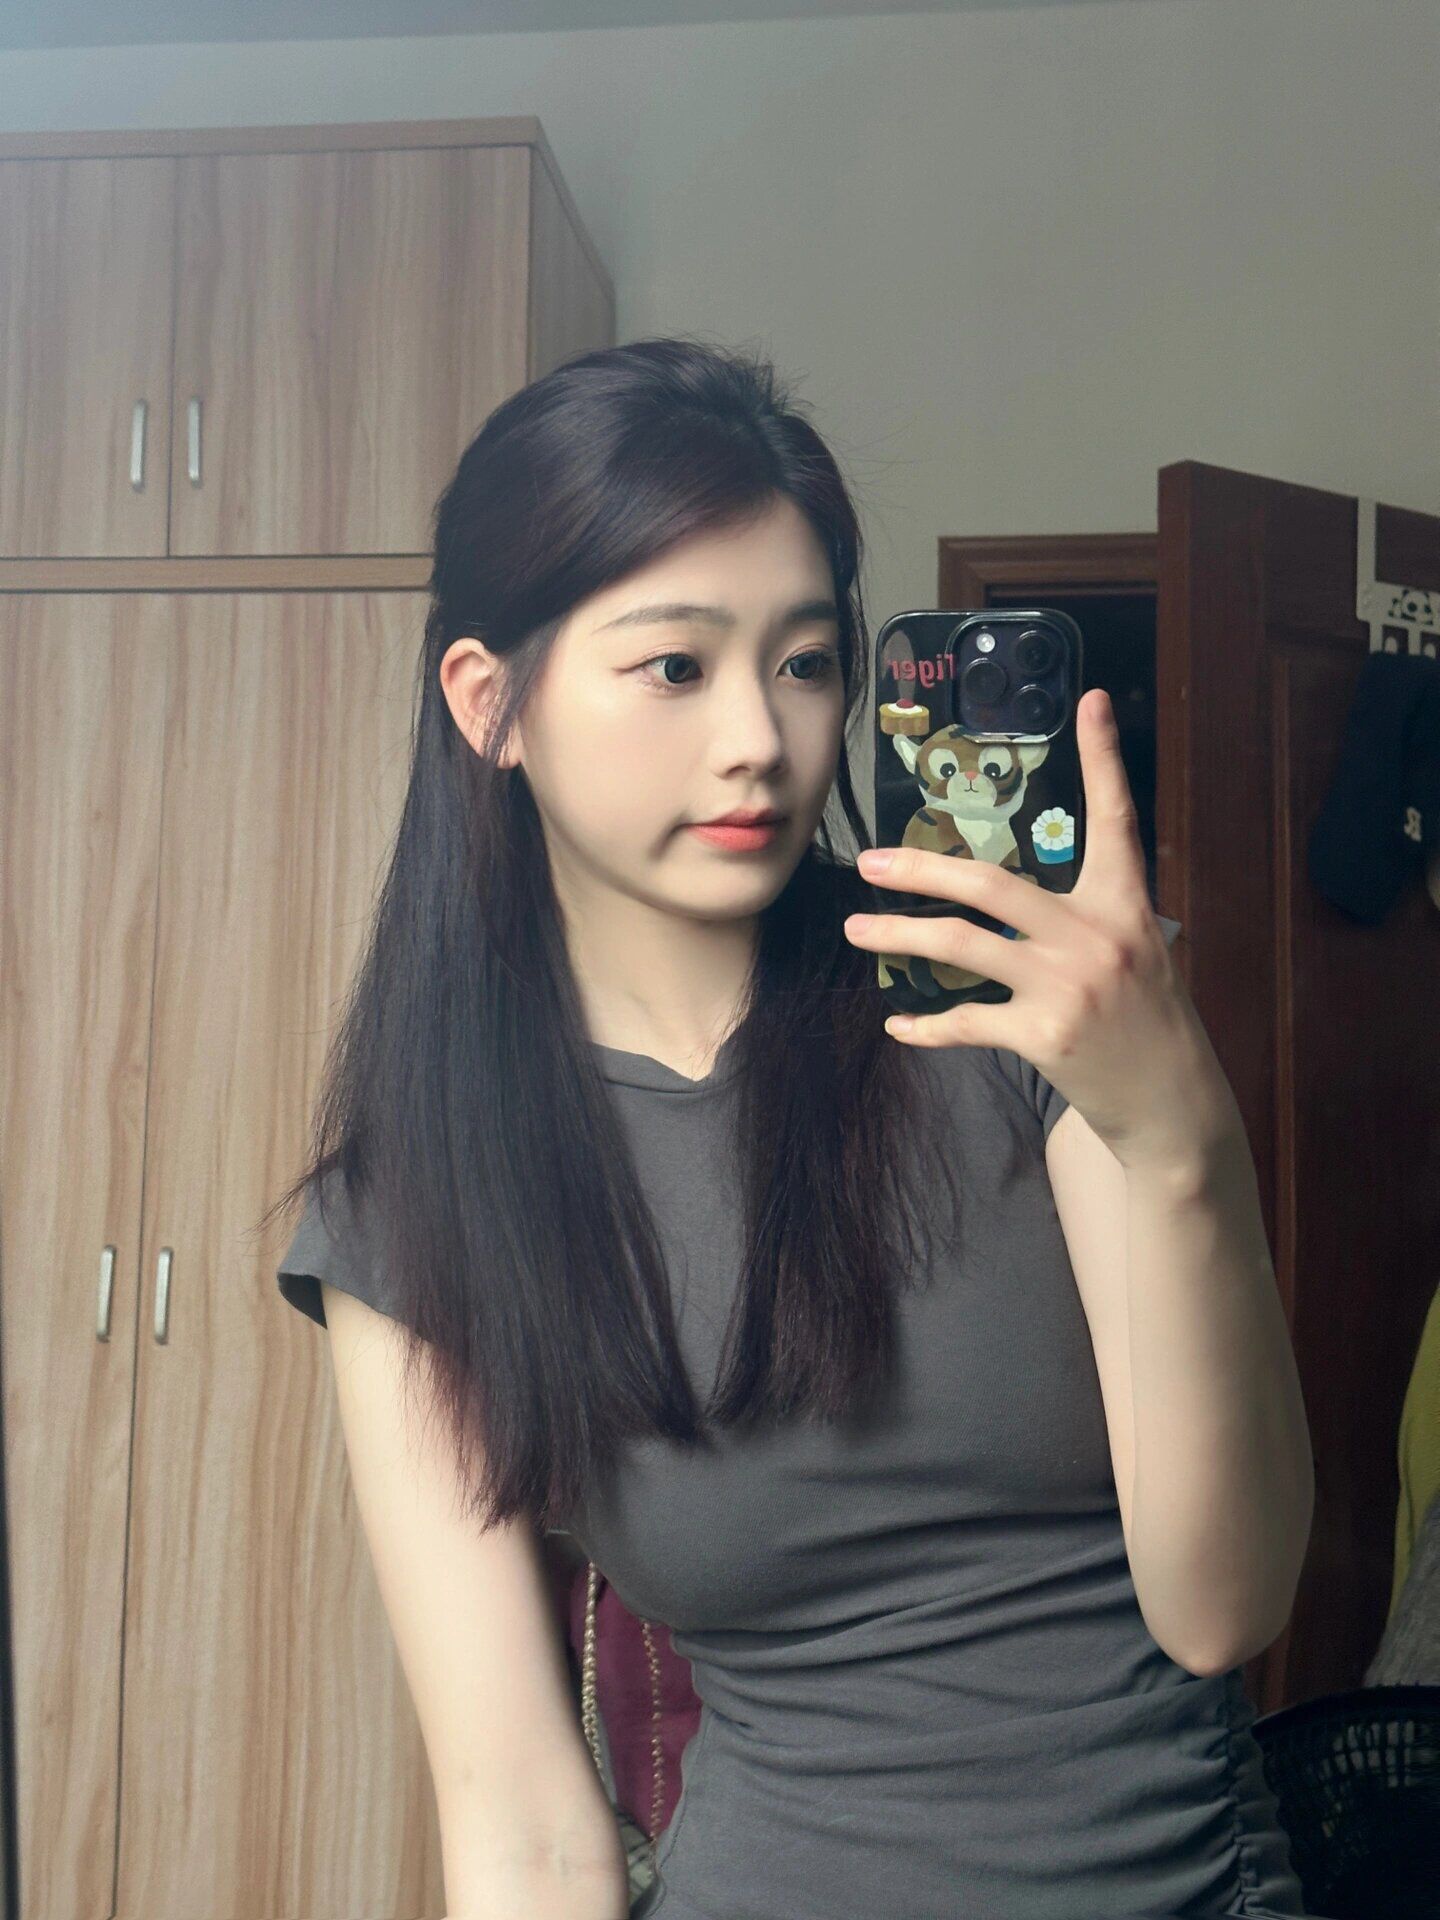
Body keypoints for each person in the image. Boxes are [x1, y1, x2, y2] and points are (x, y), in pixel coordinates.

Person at [265, 336, 1315, 1919]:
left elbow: (1223, 1608)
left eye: (807, 662)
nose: (760, 737)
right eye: (676, 667)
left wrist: (1181, 1141)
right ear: (492, 705)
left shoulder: (1023, 1012)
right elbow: (524, 1829)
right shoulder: (414, 1204)